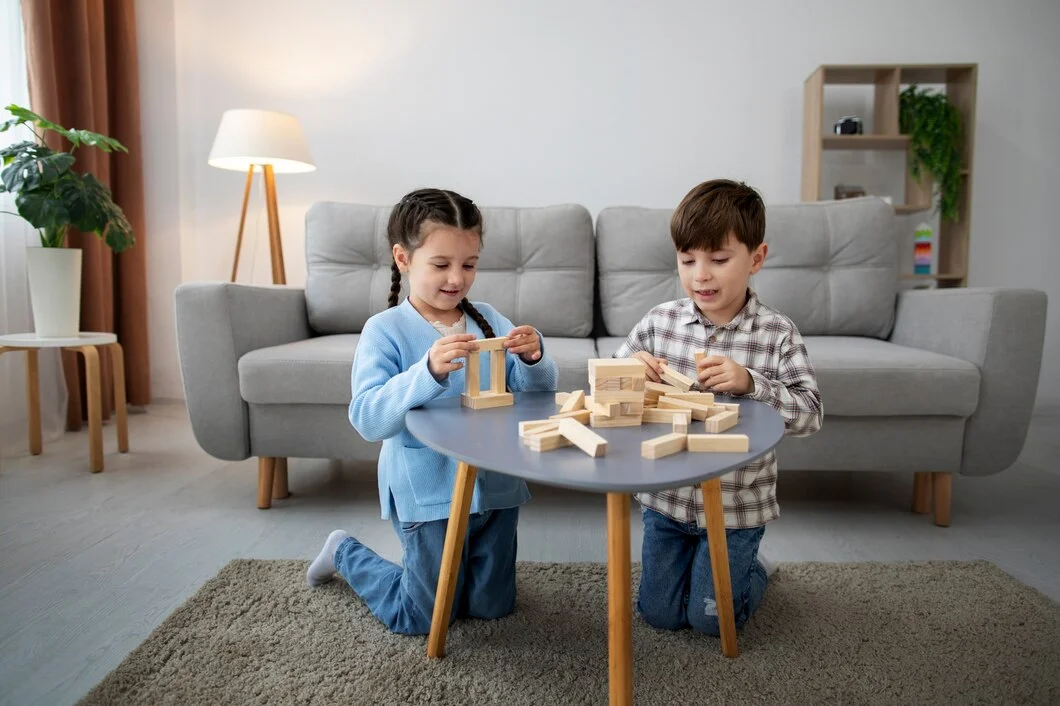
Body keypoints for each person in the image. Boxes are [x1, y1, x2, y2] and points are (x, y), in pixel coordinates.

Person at [306, 188, 558, 635]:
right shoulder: (385, 331)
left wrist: (535, 360)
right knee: (421, 616)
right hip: (429, 494)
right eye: (441, 265)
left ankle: (465, 581)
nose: (457, 278)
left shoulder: (489, 319)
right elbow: (367, 417)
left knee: (491, 607)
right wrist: (426, 372)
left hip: (497, 489)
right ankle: (344, 551)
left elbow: (535, 395)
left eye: (469, 264)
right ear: (403, 259)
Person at [614, 178, 823, 635]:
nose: (700, 275)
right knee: (659, 616)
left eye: (719, 259)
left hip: (734, 509)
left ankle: (756, 568)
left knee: (712, 622)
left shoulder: (778, 334)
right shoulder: (660, 322)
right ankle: (701, 574)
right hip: (665, 504)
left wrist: (752, 383)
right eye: (687, 260)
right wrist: (631, 368)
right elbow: (614, 371)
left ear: (757, 259)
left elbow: (809, 413)